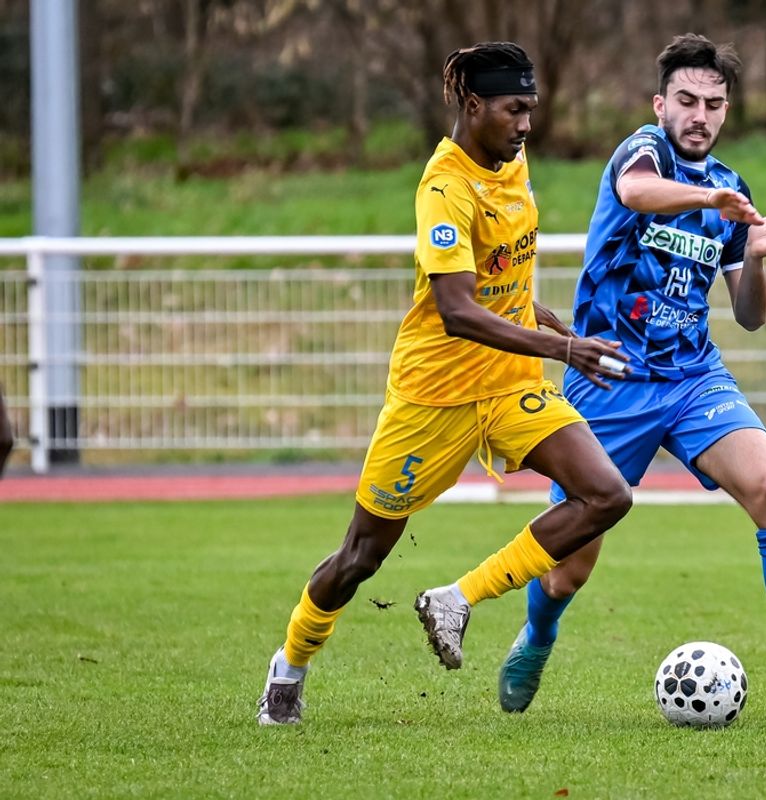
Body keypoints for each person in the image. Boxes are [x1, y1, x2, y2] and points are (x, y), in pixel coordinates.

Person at [256, 42, 633, 726]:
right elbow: (457, 310)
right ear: (473, 105)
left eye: (531, 109)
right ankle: (290, 664)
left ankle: (456, 598)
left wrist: (545, 319)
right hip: (433, 397)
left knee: (606, 494)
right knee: (360, 558)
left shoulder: (513, 163)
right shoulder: (444, 188)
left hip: (508, 384)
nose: (526, 124)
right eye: (514, 110)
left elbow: (501, 275)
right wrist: (564, 348)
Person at [496, 34, 766, 719]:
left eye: (714, 104)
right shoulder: (642, 153)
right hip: (609, 377)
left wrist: (756, 254)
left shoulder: (731, 188)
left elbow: (751, 316)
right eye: (688, 101)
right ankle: (538, 636)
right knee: (569, 567)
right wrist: (710, 200)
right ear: (660, 104)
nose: (700, 115)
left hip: (693, 377)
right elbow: (636, 191)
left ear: (727, 110)